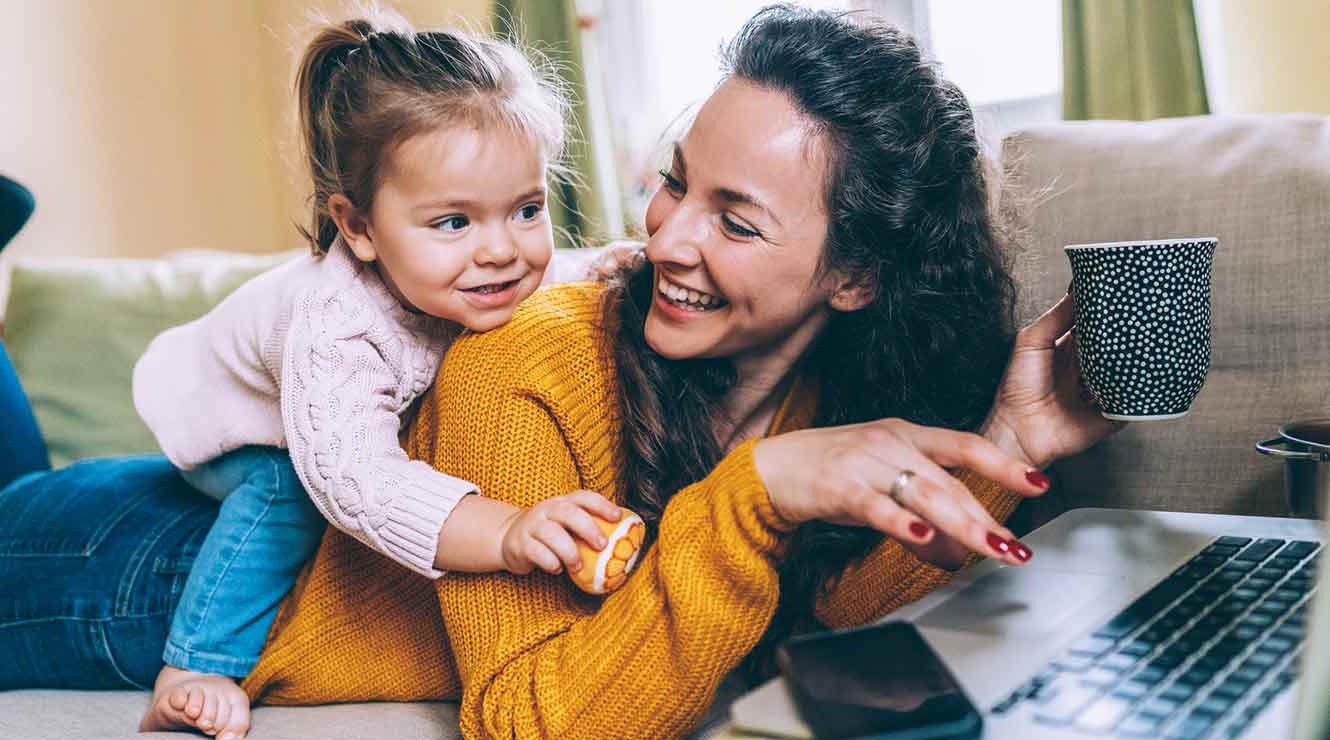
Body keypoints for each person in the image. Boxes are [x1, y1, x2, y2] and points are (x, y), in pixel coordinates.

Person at [0, 6, 1120, 740]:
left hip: (156, 531)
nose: (670, 236)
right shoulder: (525, 352)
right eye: (676, 183)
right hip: (128, 572)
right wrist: (753, 495)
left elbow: (824, 614)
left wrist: (1004, 451)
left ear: (856, 278)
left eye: (733, 217)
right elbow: (530, 718)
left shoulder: (814, 392)